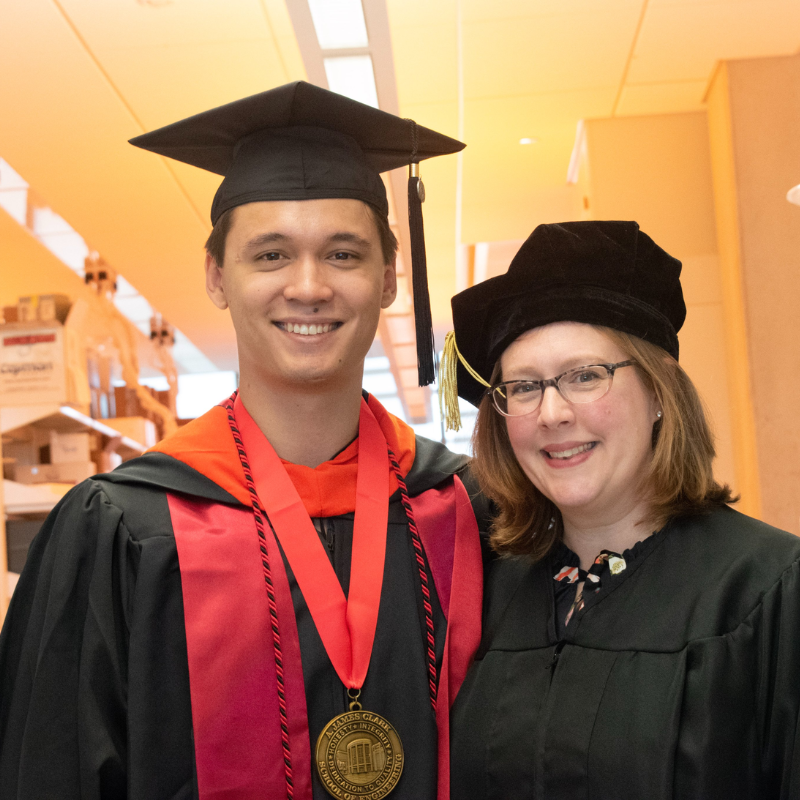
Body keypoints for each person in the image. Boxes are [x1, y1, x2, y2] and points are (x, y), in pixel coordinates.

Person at [0, 82, 486, 800]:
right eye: (271, 255)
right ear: (216, 277)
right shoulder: (123, 529)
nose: (309, 286)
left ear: (389, 279)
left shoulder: (466, 511)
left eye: (343, 254)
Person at [442, 221, 800, 799]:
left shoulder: (766, 588)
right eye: (524, 386)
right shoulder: (481, 590)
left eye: (586, 376)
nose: (552, 413)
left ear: (659, 391)